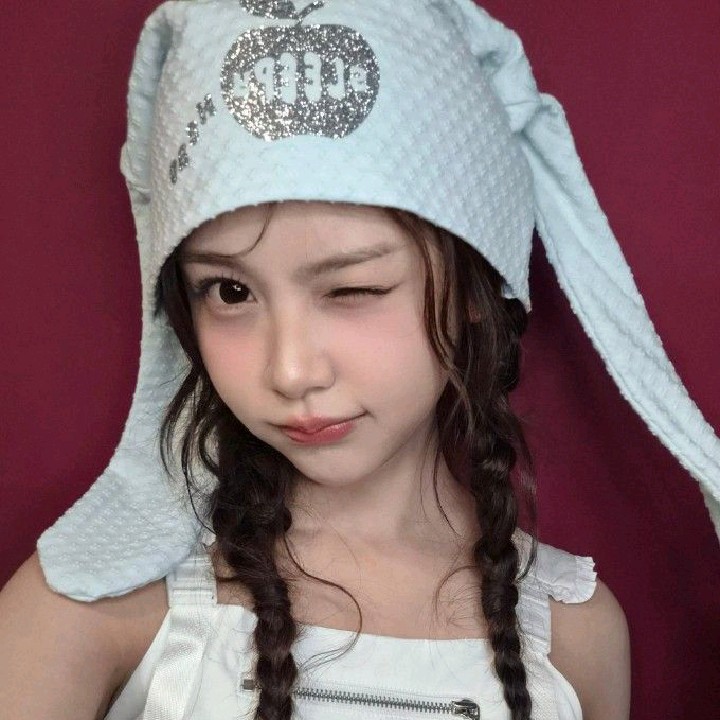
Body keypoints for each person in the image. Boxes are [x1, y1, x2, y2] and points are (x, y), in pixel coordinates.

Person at [1, 1, 718, 719]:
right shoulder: (93, 612)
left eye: (352, 289)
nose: (290, 372)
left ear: (474, 284)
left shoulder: (575, 639)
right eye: (229, 291)